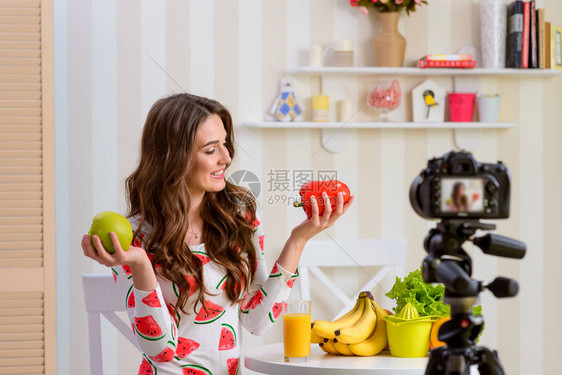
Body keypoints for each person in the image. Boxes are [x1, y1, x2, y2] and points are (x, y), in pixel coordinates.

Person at [81, 93, 355, 375]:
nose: (227, 157)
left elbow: (256, 321)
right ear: (173, 158)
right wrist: (139, 264)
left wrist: (299, 238)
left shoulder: (239, 215)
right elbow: (160, 351)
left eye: (224, 144)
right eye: (211, 150)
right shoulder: (135, 236)